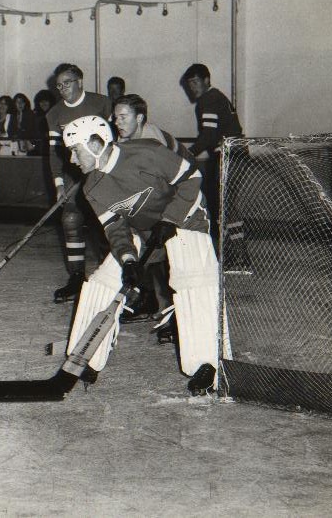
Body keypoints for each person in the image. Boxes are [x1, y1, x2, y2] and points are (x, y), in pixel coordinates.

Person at [62, 114, 220, 395]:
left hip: (185, 217)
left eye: (75, 150)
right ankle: (86, 356)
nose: (72, 159)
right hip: (143, 229)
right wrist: (128, 260)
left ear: (95, 144)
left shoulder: (147, 152)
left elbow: (192, 177)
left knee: (193, 280)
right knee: (103, 281)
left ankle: (206, 364)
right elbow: (115, 227)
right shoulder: (91, 186)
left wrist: (170, 219)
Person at [112, 93, 196, 333]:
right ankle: (150, 300)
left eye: (123, 117)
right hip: (157, 190)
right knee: (146, 240)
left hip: (184, 187)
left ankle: (178, 314)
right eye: (115, 117)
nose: (117, 122)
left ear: (139, 118)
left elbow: (172, 184)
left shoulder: (152, 141)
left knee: (169, 250)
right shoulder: (124, 137)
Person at [45, 63, 112, 302]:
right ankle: (76, 277)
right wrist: (59, 184)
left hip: (103, 171)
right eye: (59, 85)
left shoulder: (102, 103)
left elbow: (115, 138)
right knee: (70, 219)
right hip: (74, 173)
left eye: (67, 83)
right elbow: (54, 153)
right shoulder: (54, 114)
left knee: (105, 222)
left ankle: (111, 274)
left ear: (80, 82)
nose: (62, 88)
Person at [181, 63, 251, 272]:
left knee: (225, 206)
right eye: (189, 84)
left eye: (195, 82)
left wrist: (187, 154)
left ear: (206, 80)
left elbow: (209, 136)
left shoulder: (209, 99)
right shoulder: (216, 96)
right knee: (226, 205)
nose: (192, 87)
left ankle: (239, 257)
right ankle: (235, 255)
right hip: (235, 154)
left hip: (230, 156)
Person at [32, 89, 55, 157]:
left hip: (52, 149)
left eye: (46, 101)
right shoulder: (36, 116)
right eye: (41, 101)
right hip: (39, 149)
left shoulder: (55, 115)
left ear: (51, 102)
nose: (43, 103)